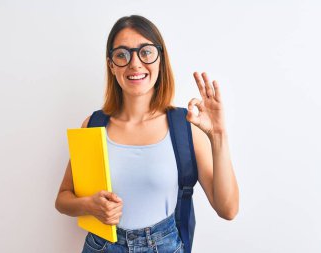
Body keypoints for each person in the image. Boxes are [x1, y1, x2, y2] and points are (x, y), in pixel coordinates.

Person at [55, 15, 239, 253]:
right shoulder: (93, 124)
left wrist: (219, 135)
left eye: (146, 52)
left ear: (160, 60)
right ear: (111, 65)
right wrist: (89, 205)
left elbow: (228, 210)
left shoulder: (185, 127)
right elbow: (62, 199)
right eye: (122, 54)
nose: (135, 64)